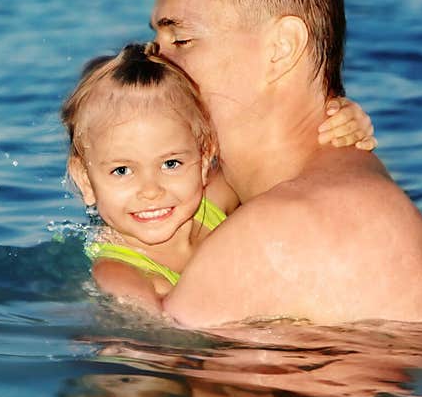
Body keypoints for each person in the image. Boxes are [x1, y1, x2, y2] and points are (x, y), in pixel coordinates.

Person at [136, 0, 422, 326]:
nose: (154, 62)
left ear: (281, 49)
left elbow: (134, 368)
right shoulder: (342, 181)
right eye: (157, 43)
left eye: (182, 41)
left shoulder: (271, 232)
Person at [61, 43, 376, 307]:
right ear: (86, 180)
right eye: (122, 170)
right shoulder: (121, 275)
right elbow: (165, 346)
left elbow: (289, 158)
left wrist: (338, 123)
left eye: (171, 164)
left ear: (203, 160)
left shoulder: (213, 200)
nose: (151, 190)